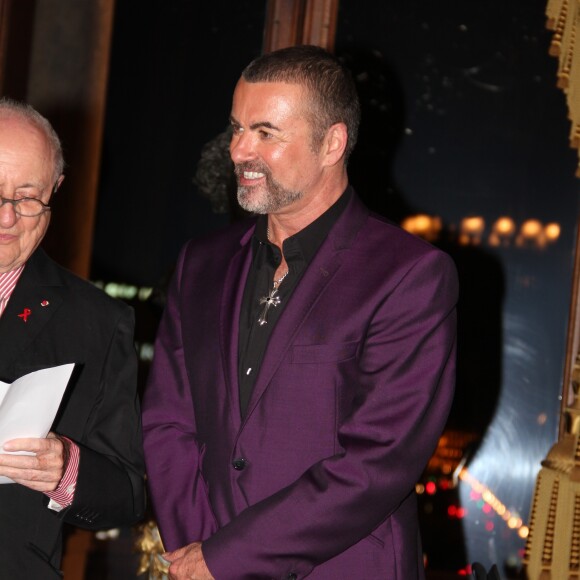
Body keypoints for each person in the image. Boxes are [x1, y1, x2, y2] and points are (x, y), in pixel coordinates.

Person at [142, 45, 458, 580]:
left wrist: (228, 558)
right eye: (237, 127)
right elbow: (167, 422)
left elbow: (377, 462)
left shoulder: (409, 275)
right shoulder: (202, 263)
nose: (239, 149)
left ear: (332, 142)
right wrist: (197, 551)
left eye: (266, 132)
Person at [0, 98, 145, 578]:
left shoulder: (98, 323)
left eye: (27, 197)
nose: (7, 218)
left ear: (56, 190)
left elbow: (129, 494)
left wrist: (66, 471)